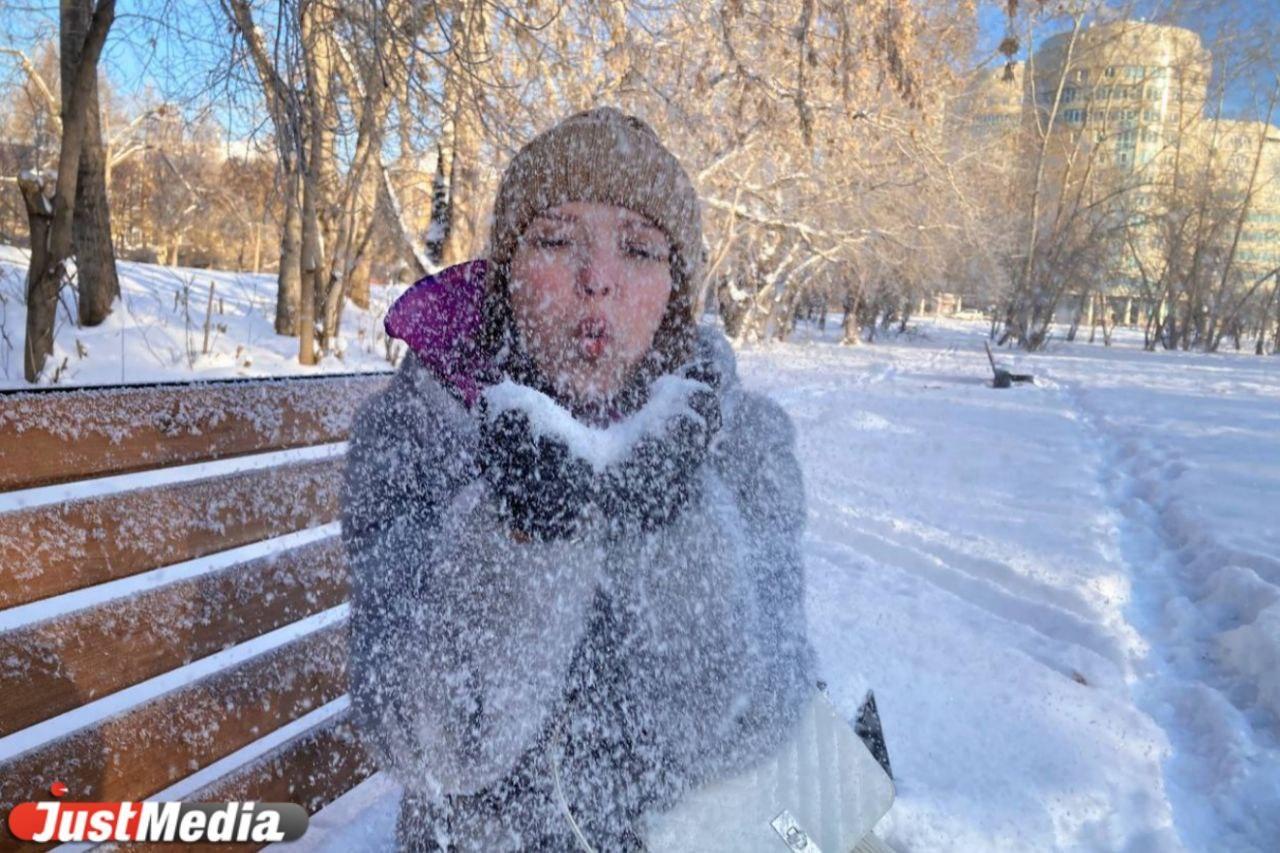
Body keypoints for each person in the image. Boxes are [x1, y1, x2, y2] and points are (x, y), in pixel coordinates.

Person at [341, 106, 817, 851]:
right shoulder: (417, 432)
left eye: (638, 249)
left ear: (675, 295)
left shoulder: (743, 443)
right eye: (556, 240)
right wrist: (517, 534)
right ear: (505, 275)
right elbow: (423, 745)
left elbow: (754, 723)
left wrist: (680, 523)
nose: (597, 282)